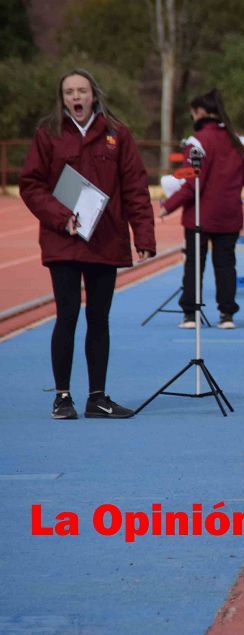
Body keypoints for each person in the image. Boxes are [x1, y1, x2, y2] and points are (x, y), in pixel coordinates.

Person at [19, 68, 156, 419]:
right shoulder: (48, 134)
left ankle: (98, 397)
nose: (76, 98)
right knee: (67, 315)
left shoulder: (116, 134)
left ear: (93, 95)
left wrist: (144, 236)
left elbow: (135, 187)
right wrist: (60, 216)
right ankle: (62, 397)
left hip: (105, 240)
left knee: (99, 319)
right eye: (69, 92)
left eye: (81, 91)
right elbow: (31, 184)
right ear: (62, 98)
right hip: (62, 240)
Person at [161, 89, 244, 330]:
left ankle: (190, 314)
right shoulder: (239, 140)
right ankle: (227, 314)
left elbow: (193, 182)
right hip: (230, 214)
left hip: (200, 215)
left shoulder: (197, 141)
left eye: (193, 113)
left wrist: (167, 206)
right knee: (226, 264)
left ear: (200, 112)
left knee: (194, 264)